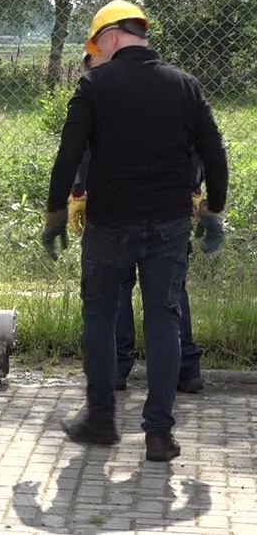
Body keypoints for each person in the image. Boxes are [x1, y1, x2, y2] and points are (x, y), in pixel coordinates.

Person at [42, 0, 227, 462]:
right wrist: (214, 213)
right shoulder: (184, 85)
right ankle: (159, 435)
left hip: (109, 226)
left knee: (100, 318)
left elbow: (68, 155)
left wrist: (54, 216)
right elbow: (215, 152)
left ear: (109, 37)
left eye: (96, 45)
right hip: (167, 225)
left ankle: (101, 419)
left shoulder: (94, 85)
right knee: (164, 321)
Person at [67, 51, 205, 395]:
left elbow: (83, 152)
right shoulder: (167, 91)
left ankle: (117, 368)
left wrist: (79, 194)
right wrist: (192, 187)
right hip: (165, 213)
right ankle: (185, 369)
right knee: (169, 294)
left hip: (117, 216)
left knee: (118, 289)